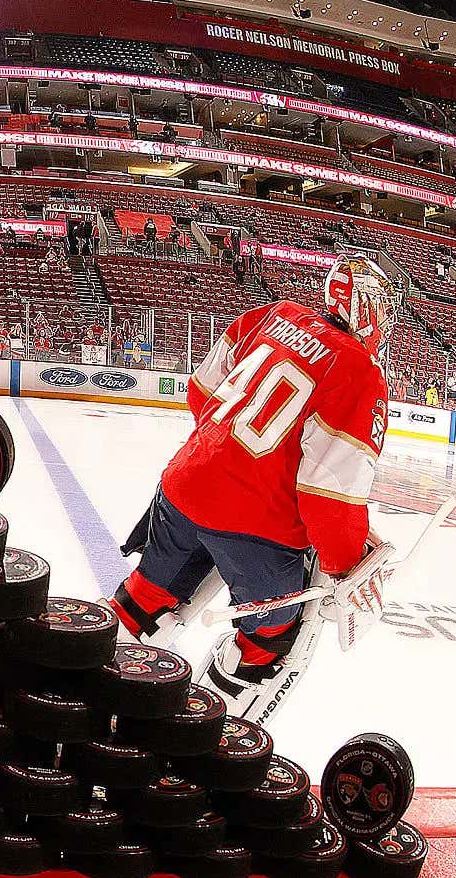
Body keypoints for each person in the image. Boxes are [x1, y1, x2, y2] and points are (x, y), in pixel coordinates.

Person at [110, 253, 393, 720]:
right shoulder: (360, 371)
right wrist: (345, 564)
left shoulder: (273, 314)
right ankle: (205, 743)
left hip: (183, 487)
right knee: (268, 639)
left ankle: (80, 685)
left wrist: (228, 458)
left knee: (146, 598)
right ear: (370, 308)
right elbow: (329, 497)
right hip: (257, 530)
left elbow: (202, 389)